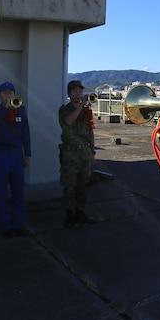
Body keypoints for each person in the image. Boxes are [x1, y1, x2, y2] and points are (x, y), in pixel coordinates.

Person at [0, 82, 32, 237]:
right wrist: (5, 108)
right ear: (0, 95)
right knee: (1, 191)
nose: (8, 95)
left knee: (18, 191)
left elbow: (26, 134)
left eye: (10, 93)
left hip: (16, 154)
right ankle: (6, 225)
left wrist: (27, 154)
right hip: (2, 154)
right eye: (4, 93)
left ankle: (18, 223)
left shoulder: (21, 111)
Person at [58, 80, 97, 227]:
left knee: (83, 184)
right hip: (70, 153)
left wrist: (92, 151)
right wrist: (81, 106)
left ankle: (80, 211)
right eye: (74, 92)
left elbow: (90, 131)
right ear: (69, 94)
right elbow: (68, 121)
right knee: (70, 185)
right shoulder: (64, 110)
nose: (78, 94)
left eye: (80, 92)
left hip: (85, 152)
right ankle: (69, 215)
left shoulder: (86, 111)